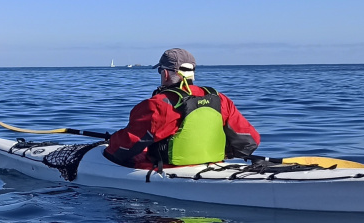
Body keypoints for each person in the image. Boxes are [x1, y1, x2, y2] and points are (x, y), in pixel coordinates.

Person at [104, 48, 260, 169]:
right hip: (213, 166)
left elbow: (123, 148)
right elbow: (250, 141)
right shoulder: (220, 99)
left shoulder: (158, 105)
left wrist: (111, 145)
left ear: (165, 73)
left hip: (167, 171)